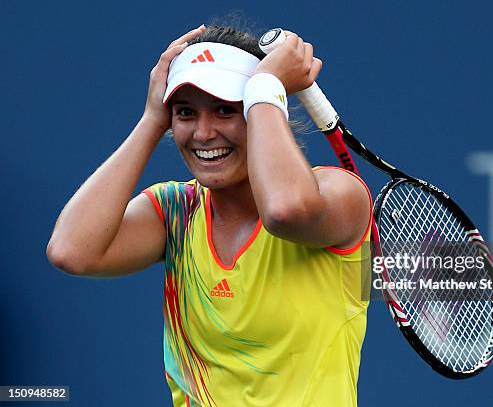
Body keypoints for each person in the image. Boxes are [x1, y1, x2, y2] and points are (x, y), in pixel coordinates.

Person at [47, 23, 372, 407]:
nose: (202, 133)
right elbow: (71, 251)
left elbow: (284, 211)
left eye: (225, 110)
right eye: (185, 113)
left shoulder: (342, 195)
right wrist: (153, 119)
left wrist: (267, 86)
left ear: (262, 111)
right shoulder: (176, 212)